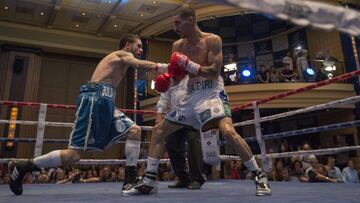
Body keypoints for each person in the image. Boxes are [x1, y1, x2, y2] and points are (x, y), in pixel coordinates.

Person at [123, 7, 271, 196]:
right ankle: (150, 181)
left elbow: (214, 71)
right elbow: (177, 76)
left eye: (178, 23)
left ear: (191, 21)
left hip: (211, 94)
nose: (175, 27)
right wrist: (167, 79)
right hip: (190, 96)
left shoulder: (212, 40)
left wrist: (189, 65)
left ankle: (259, 175)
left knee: (228, 132)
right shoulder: (177, 46)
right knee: (159, 131)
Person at [8, 34, 167, 195]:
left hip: (106, 101)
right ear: (127, 45)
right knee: (73, 155)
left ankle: (129, 181)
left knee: (135, 131)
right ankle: (24, 166)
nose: (141, 49)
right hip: (94, 99)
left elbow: (139, 70)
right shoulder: (121, 54)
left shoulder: (122, 61)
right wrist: (165, 67)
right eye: (138, 46)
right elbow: (138, 64)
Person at [155, 75, 206, 189]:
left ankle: (197, 179)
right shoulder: (170, 77)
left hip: (192, 114)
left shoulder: (193, 75)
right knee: (172, 143)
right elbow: (164, 96)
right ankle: (183, 178)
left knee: (193, 142)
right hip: (176, 115)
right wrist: (159, 114)